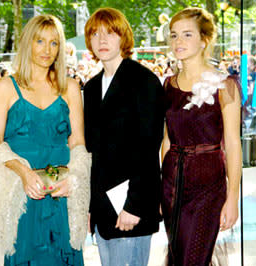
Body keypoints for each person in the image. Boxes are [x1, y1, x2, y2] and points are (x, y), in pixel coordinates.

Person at [0, 14, 90, 266]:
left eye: (54, 43)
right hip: (23, 195)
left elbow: (78, 143)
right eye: (40, 41)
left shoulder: (71, 88)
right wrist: (23, 173)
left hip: (61, 194)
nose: (47, 50)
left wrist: (73, 180)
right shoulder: (5, 87)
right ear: (27, 43)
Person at [83, 7, 164, 266]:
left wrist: (134, 205)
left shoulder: (144, 81)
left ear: (123, 37)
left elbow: (149, 149)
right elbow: (91, 150)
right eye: (95, 34)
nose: (102, 40)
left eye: (110, 33)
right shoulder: (93, 86)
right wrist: (88, 208)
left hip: (130, 209)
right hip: (102, 209)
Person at [161, 7, 242, 265]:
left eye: (186, 34)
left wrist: (232, 199)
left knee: (192, 259)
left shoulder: (224, 85)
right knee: (178, 258)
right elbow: (166, 142)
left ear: (204, 39)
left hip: (209, 186)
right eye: (173, 35)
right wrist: (160, 188)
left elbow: (232, 144)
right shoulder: (167, 85)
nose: (178, 42)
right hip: (172, 185)